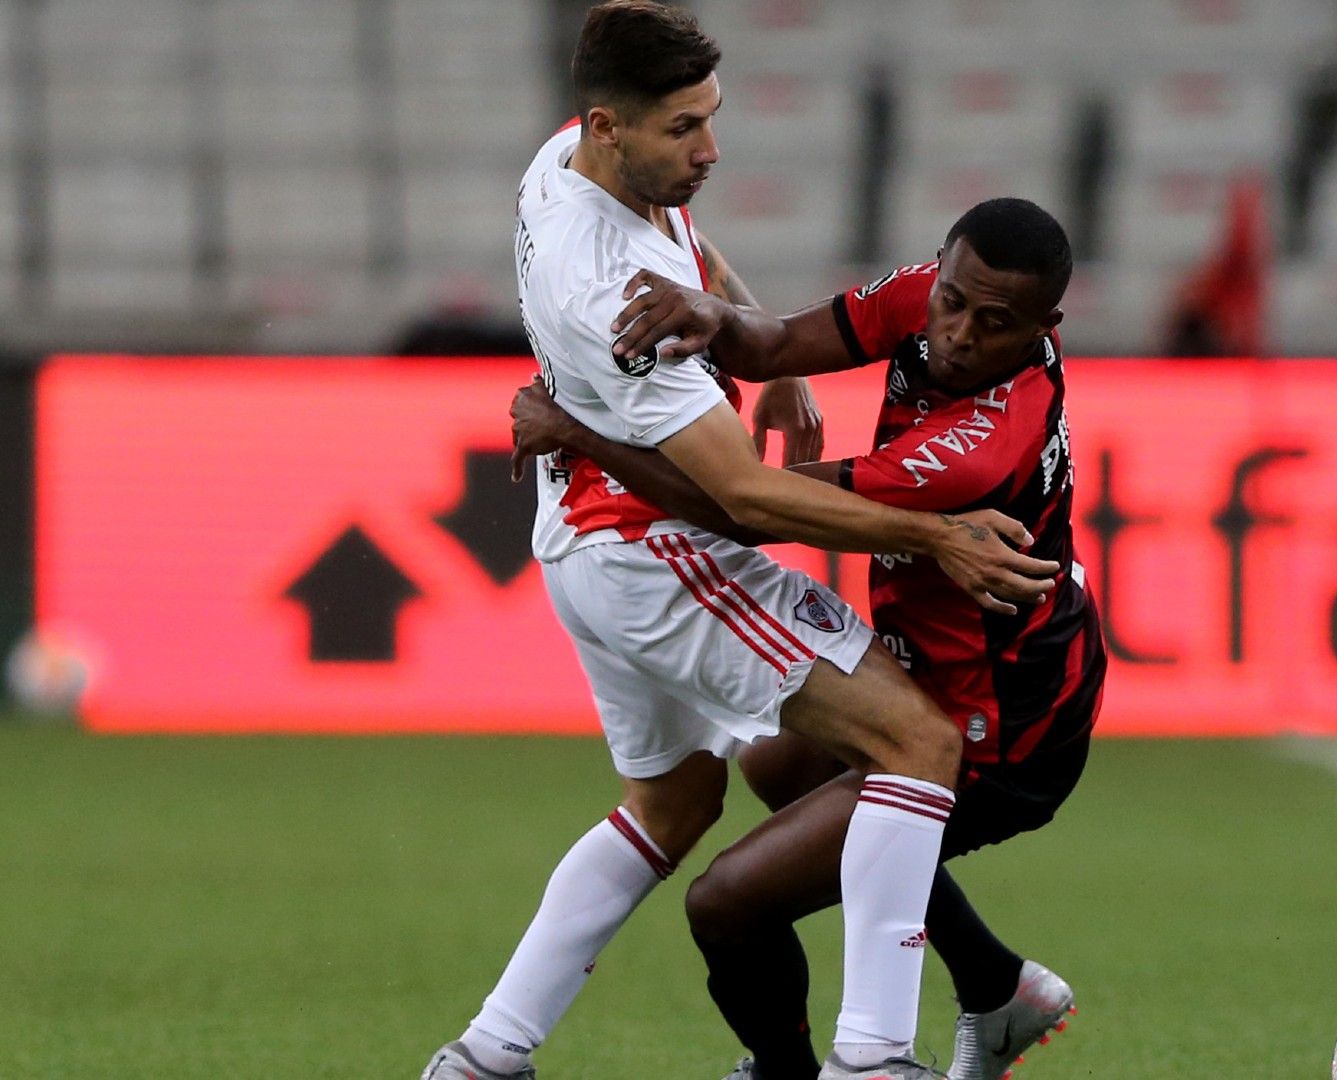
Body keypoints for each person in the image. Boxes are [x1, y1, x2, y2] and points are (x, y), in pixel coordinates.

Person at [421, 7, 1059, 1080]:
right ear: (608, 126)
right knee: (919, 745)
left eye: (712, 119)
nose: (710, 151)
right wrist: (935, 536)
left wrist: (767, 343)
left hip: (583, 540)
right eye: (683, 131)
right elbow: (745, 502)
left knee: (675, 803)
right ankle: (872, 1058)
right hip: (657, 551)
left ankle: (486, 1055)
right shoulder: (606, 297)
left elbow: (688, 248)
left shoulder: (566, 165)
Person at [509, 197, 1103, 1080]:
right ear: (939, 267)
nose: (960, 334)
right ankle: (993, 985)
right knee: (775, 764)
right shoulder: (928, 300)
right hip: (956, 672)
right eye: (951, 300)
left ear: (1045, 327)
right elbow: (777, 346)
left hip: (1003, 728)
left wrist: (578, 433)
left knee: (727, 906)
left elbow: (741, 506)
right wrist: (714, 314)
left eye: (996, 323)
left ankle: (802, 1070)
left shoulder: (979, 446)